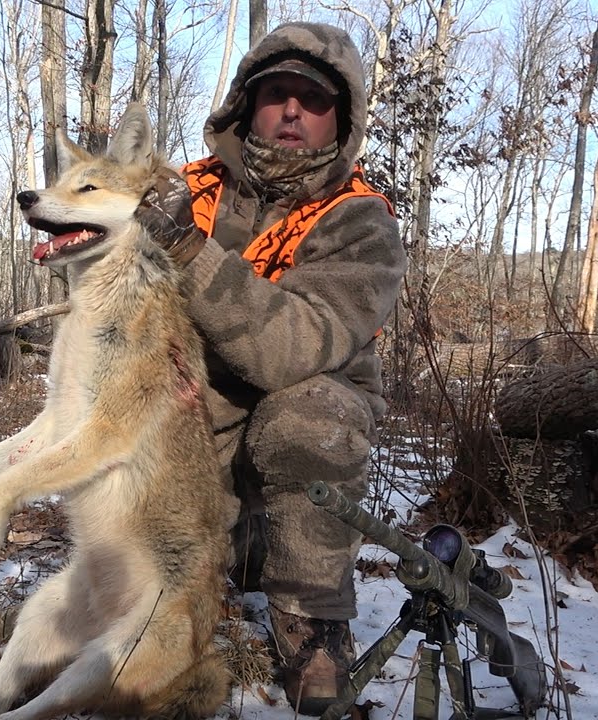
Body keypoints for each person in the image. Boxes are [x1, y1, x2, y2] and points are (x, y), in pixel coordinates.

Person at [135, 22, 407, 716]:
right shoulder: (180, 192)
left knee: (309, 414)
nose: (291, 110)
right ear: (245, 105)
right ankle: (238, 550)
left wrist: (188, 253)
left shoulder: (360, 222)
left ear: (340, 121)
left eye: (312, 99)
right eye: (275, 92)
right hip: (195, 410)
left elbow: (292, 349)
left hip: (300, 414)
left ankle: (313, 626)